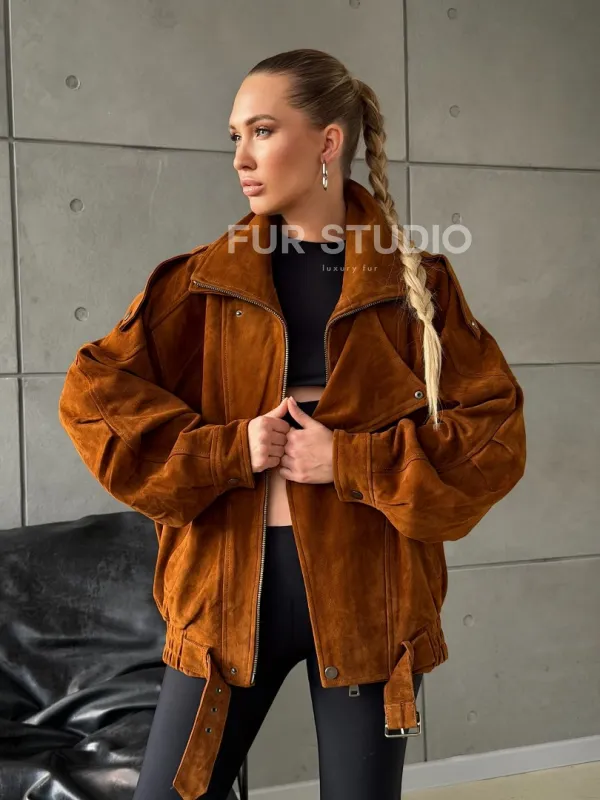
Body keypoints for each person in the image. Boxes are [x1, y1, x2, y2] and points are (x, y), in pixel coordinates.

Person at [58, 49, 526, 800]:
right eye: (235, 136)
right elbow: (92, 395)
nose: (241, 158)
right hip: (222, 596)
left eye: (263, 131)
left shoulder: (418, 286)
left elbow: (494, 436)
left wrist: (351, 461)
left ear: (328, 142)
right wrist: (227, 450)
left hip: (369, 600)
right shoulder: (203, 281)